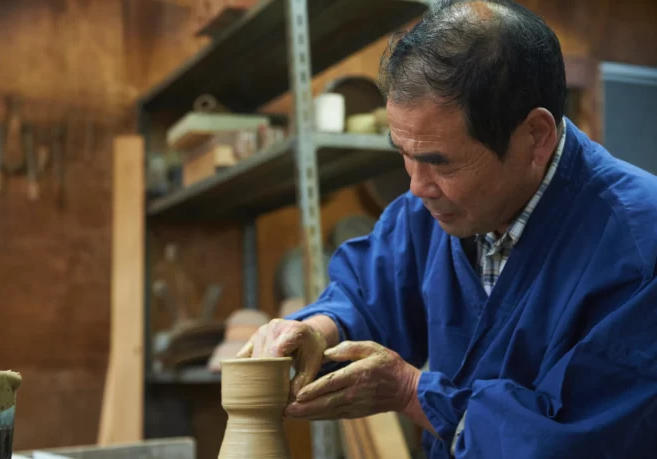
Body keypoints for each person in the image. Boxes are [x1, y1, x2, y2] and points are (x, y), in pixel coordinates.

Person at [238, 0, 657, 457]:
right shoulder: (437, 210)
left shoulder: (639, 246)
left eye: (440, 162)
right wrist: (318, 331)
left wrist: (409, 391)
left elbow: (575, 440)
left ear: (535, 138)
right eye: (404, 152)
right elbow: (368, 292)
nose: (417, 187)